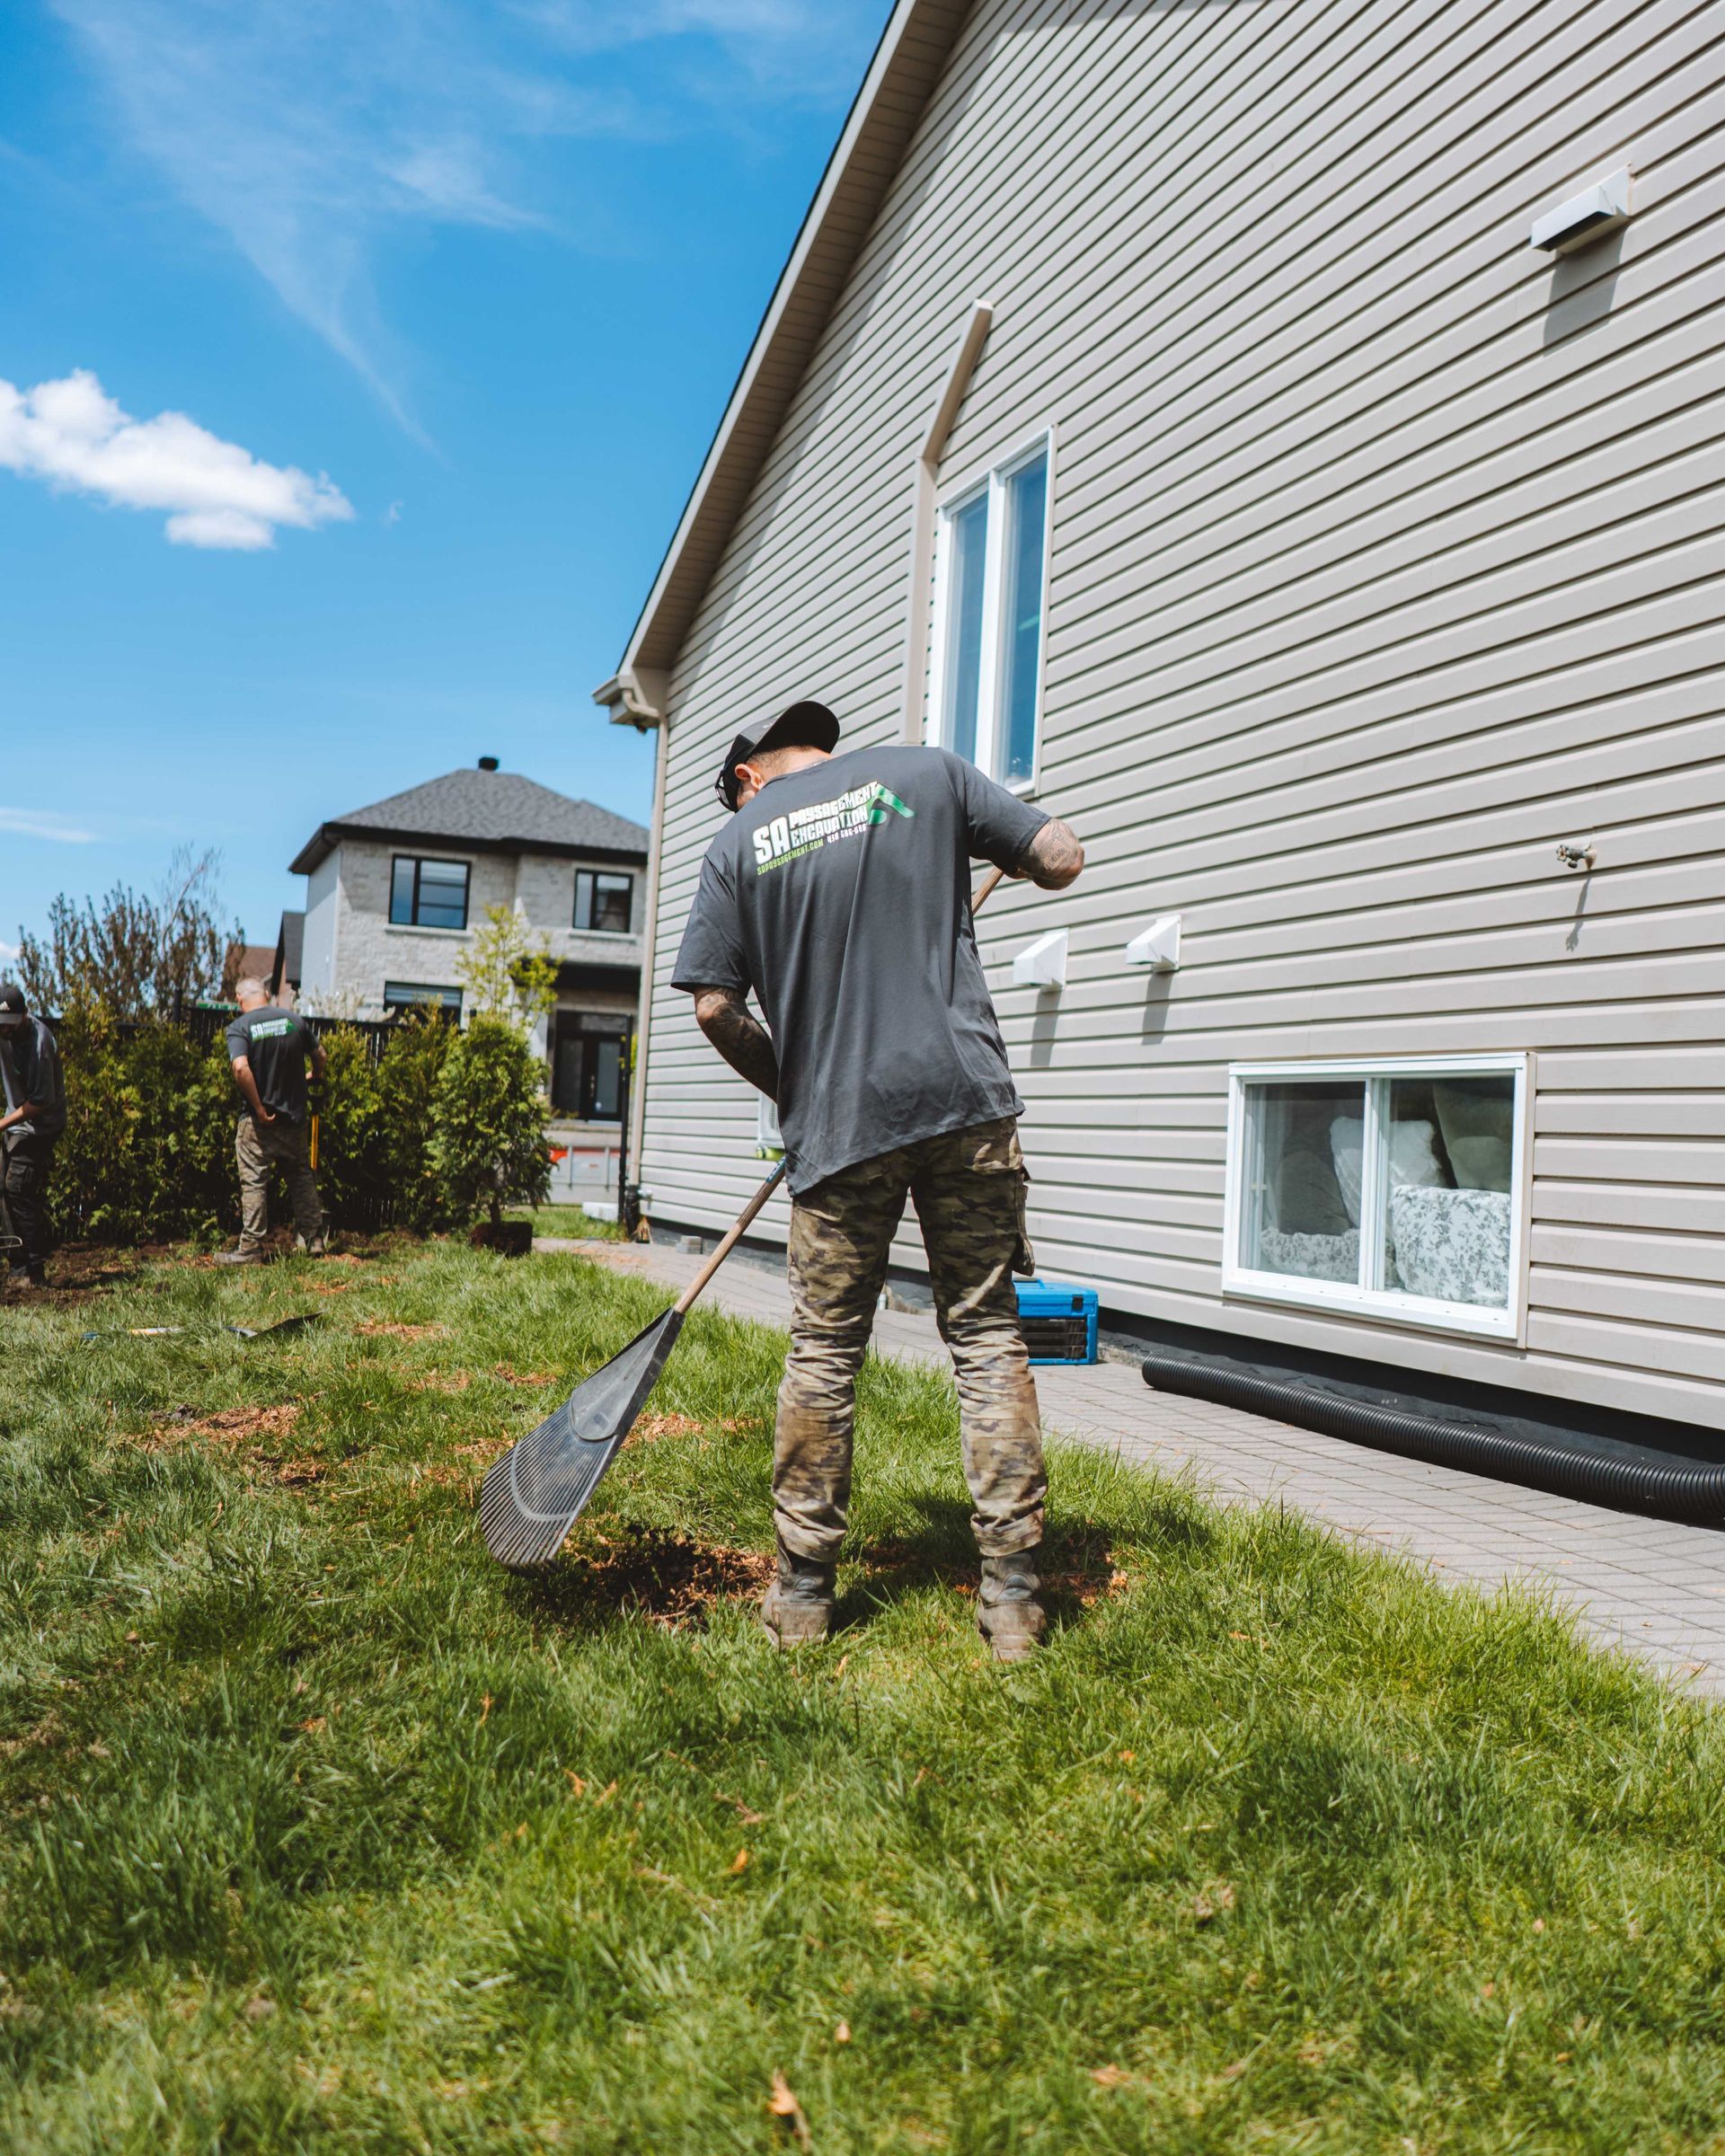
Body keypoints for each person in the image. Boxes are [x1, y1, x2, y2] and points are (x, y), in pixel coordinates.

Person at [672, 701, 1084, 1659]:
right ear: (818, 749)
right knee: (985, 1339)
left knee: (823, 1356)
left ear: (746, 778)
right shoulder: (928, 774)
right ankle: (1014, 1603)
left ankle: (804, 1598)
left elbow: (714, 1008)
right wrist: (1020, 846)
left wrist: (797, 1084)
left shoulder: (739, 843)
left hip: (840, 1126)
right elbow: (1060, 858)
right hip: (965, 1104)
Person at [217, 978, 329, 1264]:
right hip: (294, 1119)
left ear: (240, 1001)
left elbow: (240, 1068)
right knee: (301, 1176)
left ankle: (251, 1249)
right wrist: (315, 1075)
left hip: (258, 1124)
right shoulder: (294, 1021)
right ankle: (314, 1239)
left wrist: (258, 1107)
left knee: (254, 1183)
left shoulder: (240, 1028)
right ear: (267, 995)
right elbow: (320, 1055)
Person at [0, 981, 68, 1290]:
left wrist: (1, 1125)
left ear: (25, 1014)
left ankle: (35, 1268)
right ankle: (17, 1265)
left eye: (11, 1025)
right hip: (15, 1121)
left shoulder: (41, 1041)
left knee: (17, 1186)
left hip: (43, 1124)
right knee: (2, 1183)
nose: (6, 1032)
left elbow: (41, 1103)